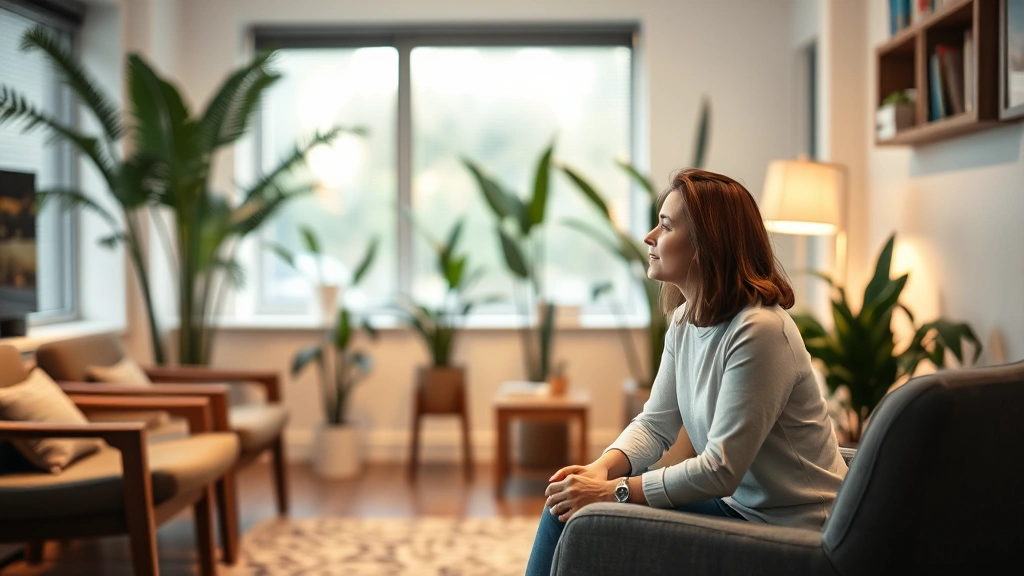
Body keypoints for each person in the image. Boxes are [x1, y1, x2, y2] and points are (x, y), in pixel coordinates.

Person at [525, 168, 848, 575]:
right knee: (567, 502)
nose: (649, 238)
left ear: (705, 244)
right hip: (739, 510)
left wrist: (615, 493)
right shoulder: (685, 321)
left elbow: (720, 469)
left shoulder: (761, 332)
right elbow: (656, 424)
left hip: (793, 532)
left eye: (664, 226)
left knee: (586, 513)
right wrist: (599, 470)